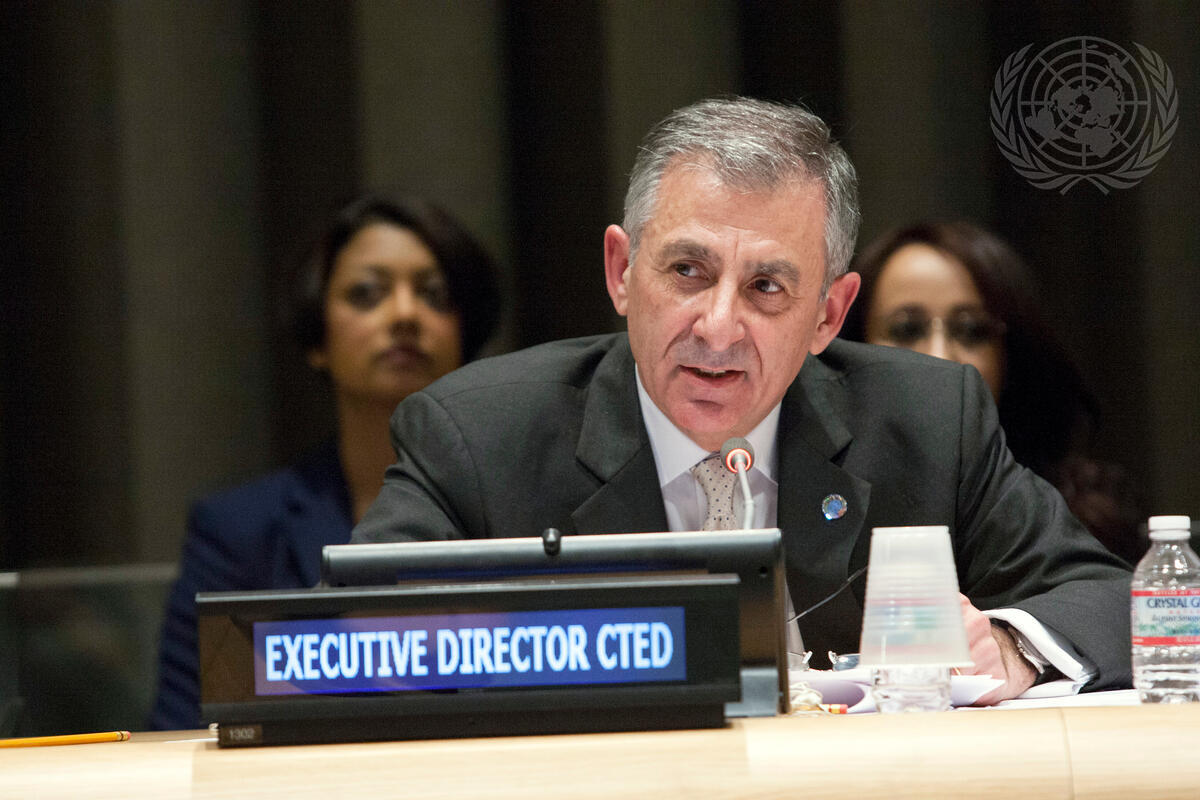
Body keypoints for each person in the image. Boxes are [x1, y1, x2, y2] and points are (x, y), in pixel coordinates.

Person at [352, 98, 1133, 703]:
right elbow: (350, 642)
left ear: (828, 314)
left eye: (766, 286)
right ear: (622, 272)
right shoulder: (479, 435)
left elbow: (1113, 599)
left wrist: (1008, 646)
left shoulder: (927, 422)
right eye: (687, 271)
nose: (718, 327)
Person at [151, 193, 501, 730]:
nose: (405, 314)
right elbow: (181, 733)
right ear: (318, 337)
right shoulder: (238, 532)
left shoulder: (517, 505)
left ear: (465, 334)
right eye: (367, 294)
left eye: (434, 295)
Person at [841, 221, 1144, 565]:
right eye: (907, 329)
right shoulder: (821, 501)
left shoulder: (1083, 520)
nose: (939, 357)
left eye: (971, 330)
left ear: (1011, 352)